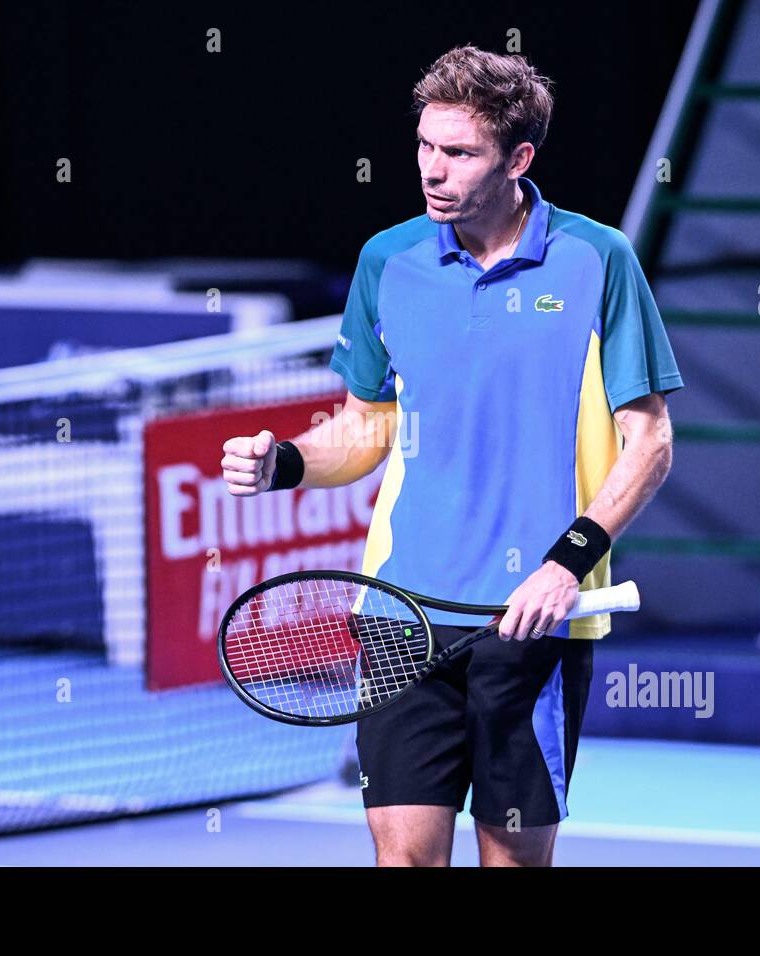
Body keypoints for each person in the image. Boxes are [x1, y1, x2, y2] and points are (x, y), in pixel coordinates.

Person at [221, 45, 682, 866]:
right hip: (402, 612)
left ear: (518, 159)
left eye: (460, 153)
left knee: (512, 861)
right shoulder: (387, 261)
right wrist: (282, 463)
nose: (433, 170)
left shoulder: (598, 259)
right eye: (425, 146)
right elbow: (365, 428)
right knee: (402, 858)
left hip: (533, 618)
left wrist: (565, 566)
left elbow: (649, 442)